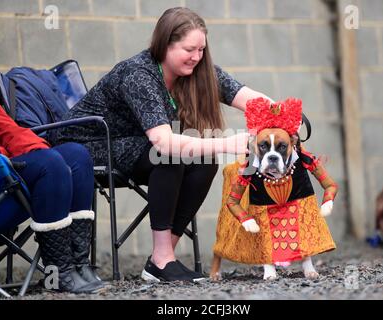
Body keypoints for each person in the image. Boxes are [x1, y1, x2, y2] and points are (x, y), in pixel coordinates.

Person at [51, 7, 273, 282]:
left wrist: (282, 114)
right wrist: (227, 143)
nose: (197, 56)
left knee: (203, 161)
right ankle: (162, 259)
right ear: (165, 44)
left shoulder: (195, 69)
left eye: (201, 49)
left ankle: (161, 258)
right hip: (85, 147)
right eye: (190, 49)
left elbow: (244, 96)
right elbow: (165, 143)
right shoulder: (138, 74)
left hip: (132, 145)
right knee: (170, 155)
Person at [0, 104, 104, 293]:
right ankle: (59, 274)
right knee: (50, 165)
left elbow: (8, 129)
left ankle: (78, 265)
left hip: (4, 172)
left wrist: (39, 151)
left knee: (76, 156)